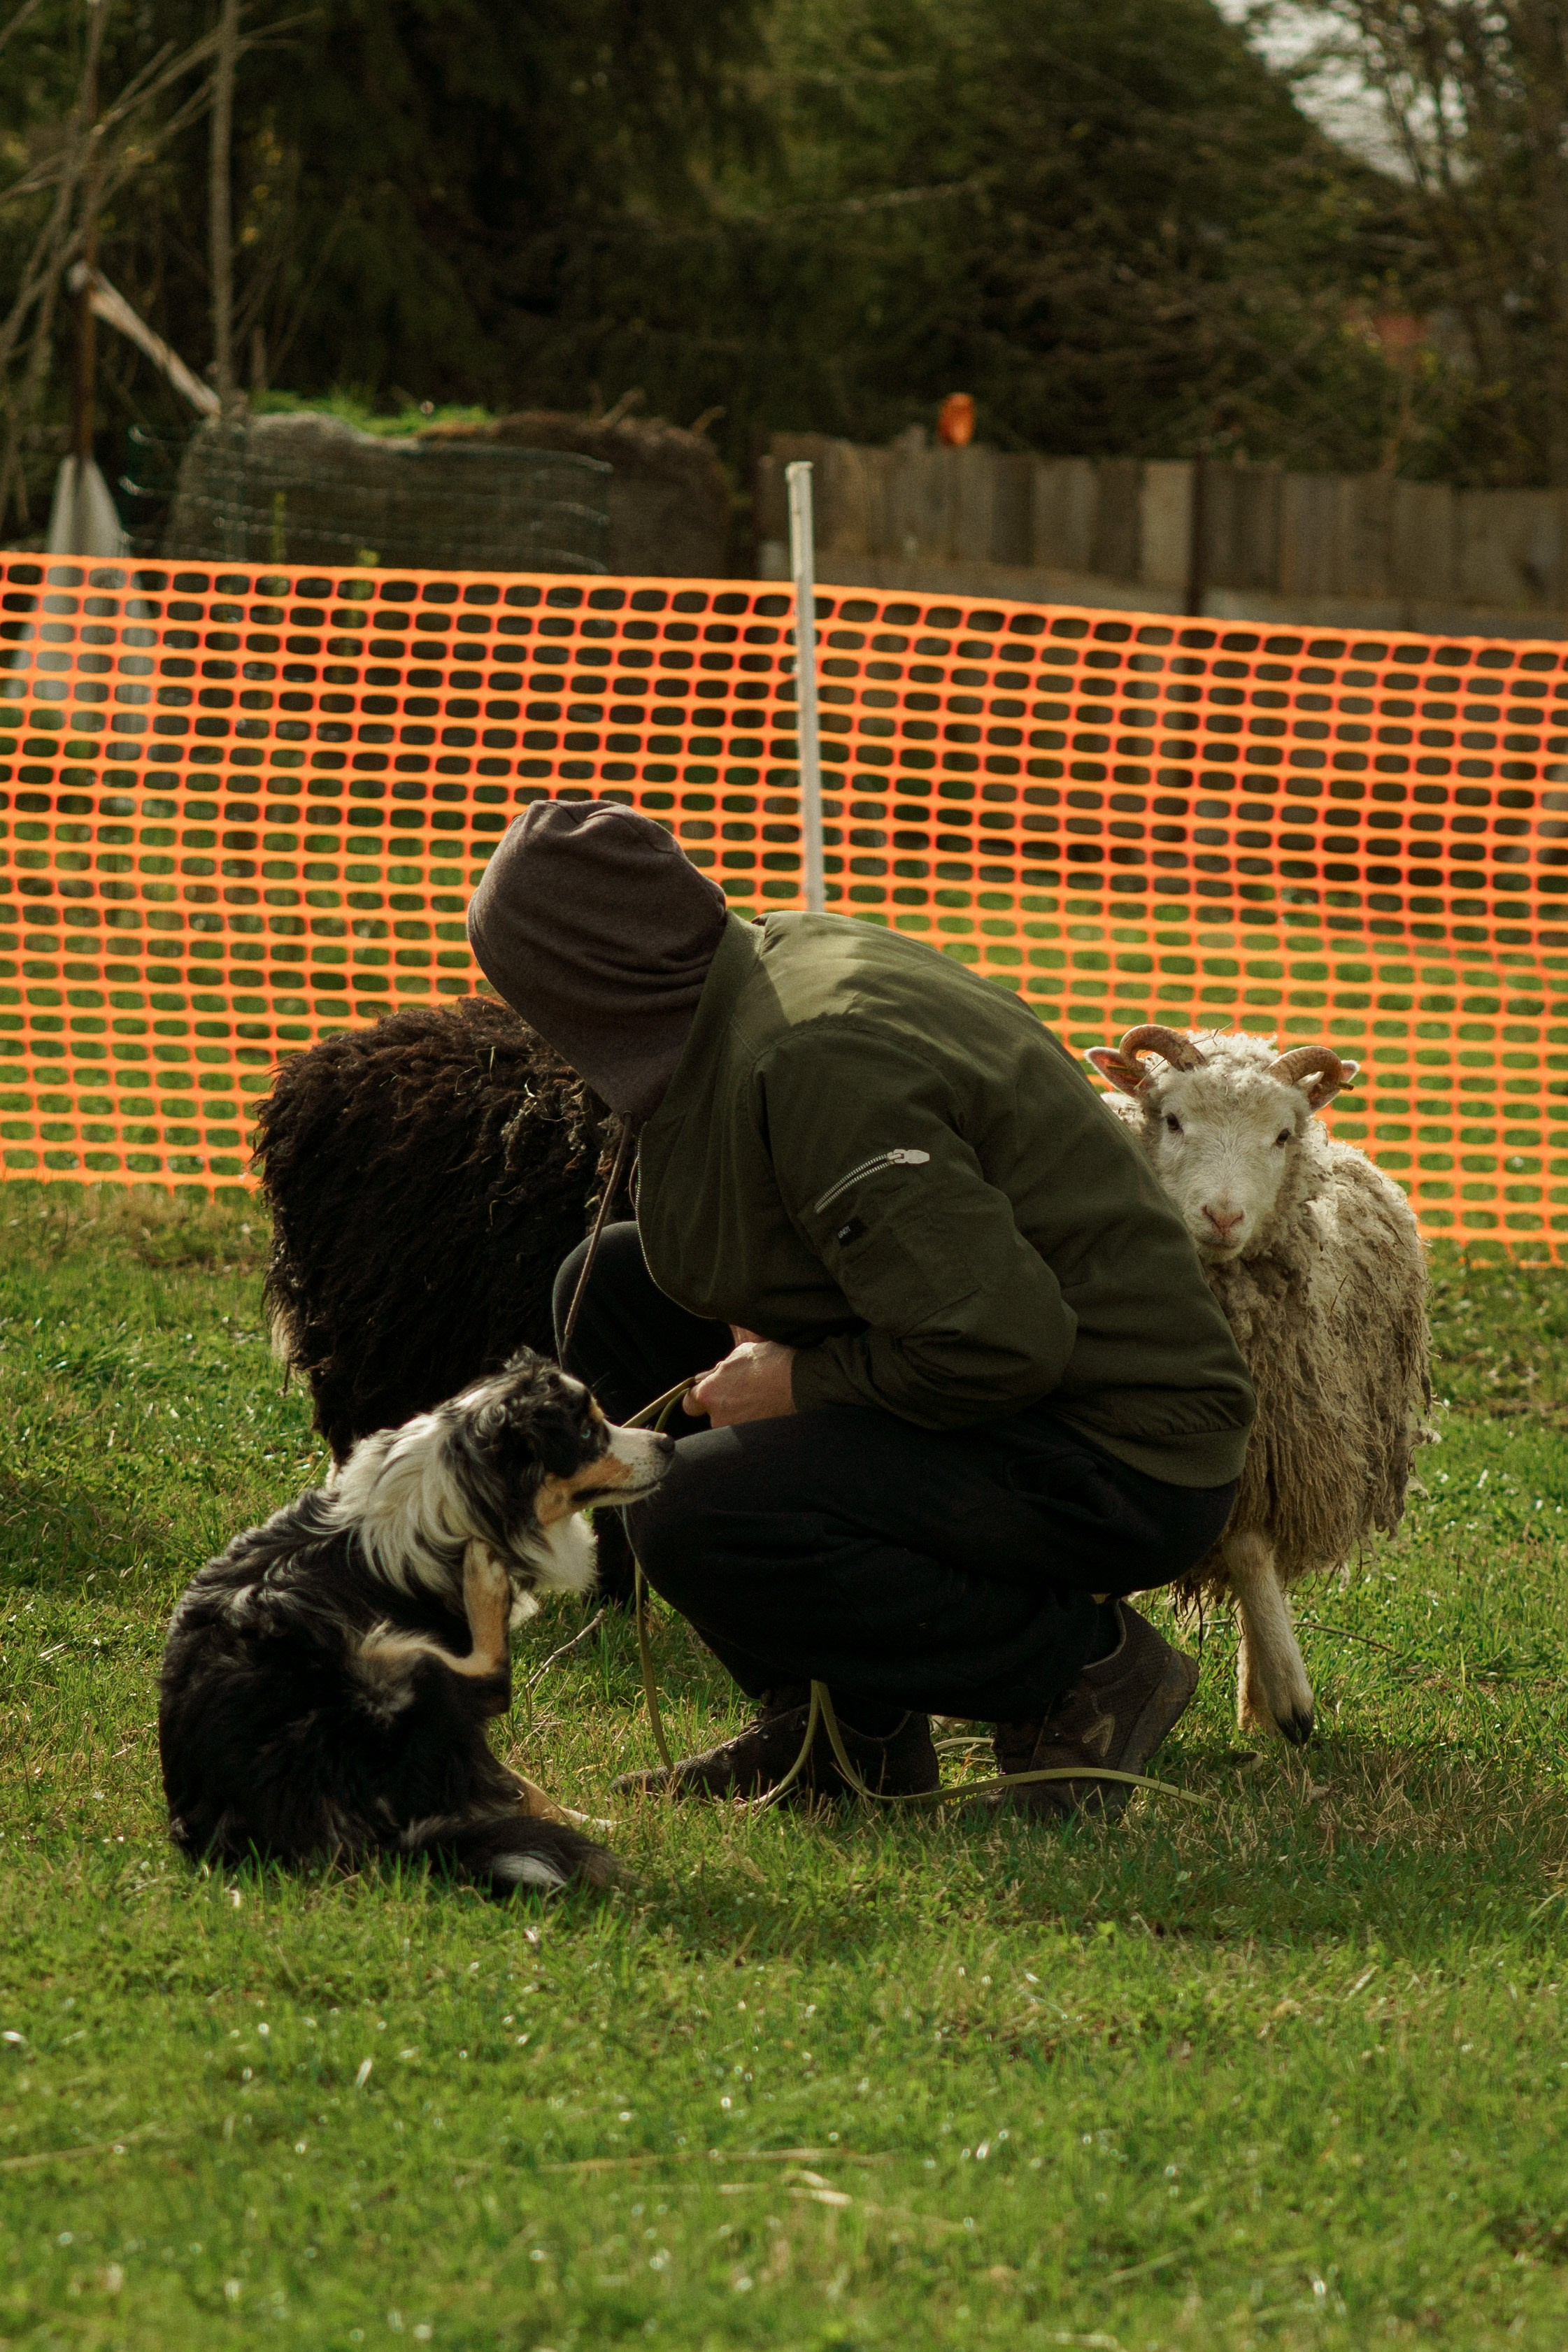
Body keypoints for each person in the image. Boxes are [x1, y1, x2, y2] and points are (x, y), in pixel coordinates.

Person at [467, 799, 1255, 1815]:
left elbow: (1003, 1341)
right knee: (608, 1284)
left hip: (1119, 1446)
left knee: (691, 1506)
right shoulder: (762, 960)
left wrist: (799, 1378)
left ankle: (1080, 1673)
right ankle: (844, 1731)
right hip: (1022, 1365)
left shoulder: (812, 1058)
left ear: (587, 983)